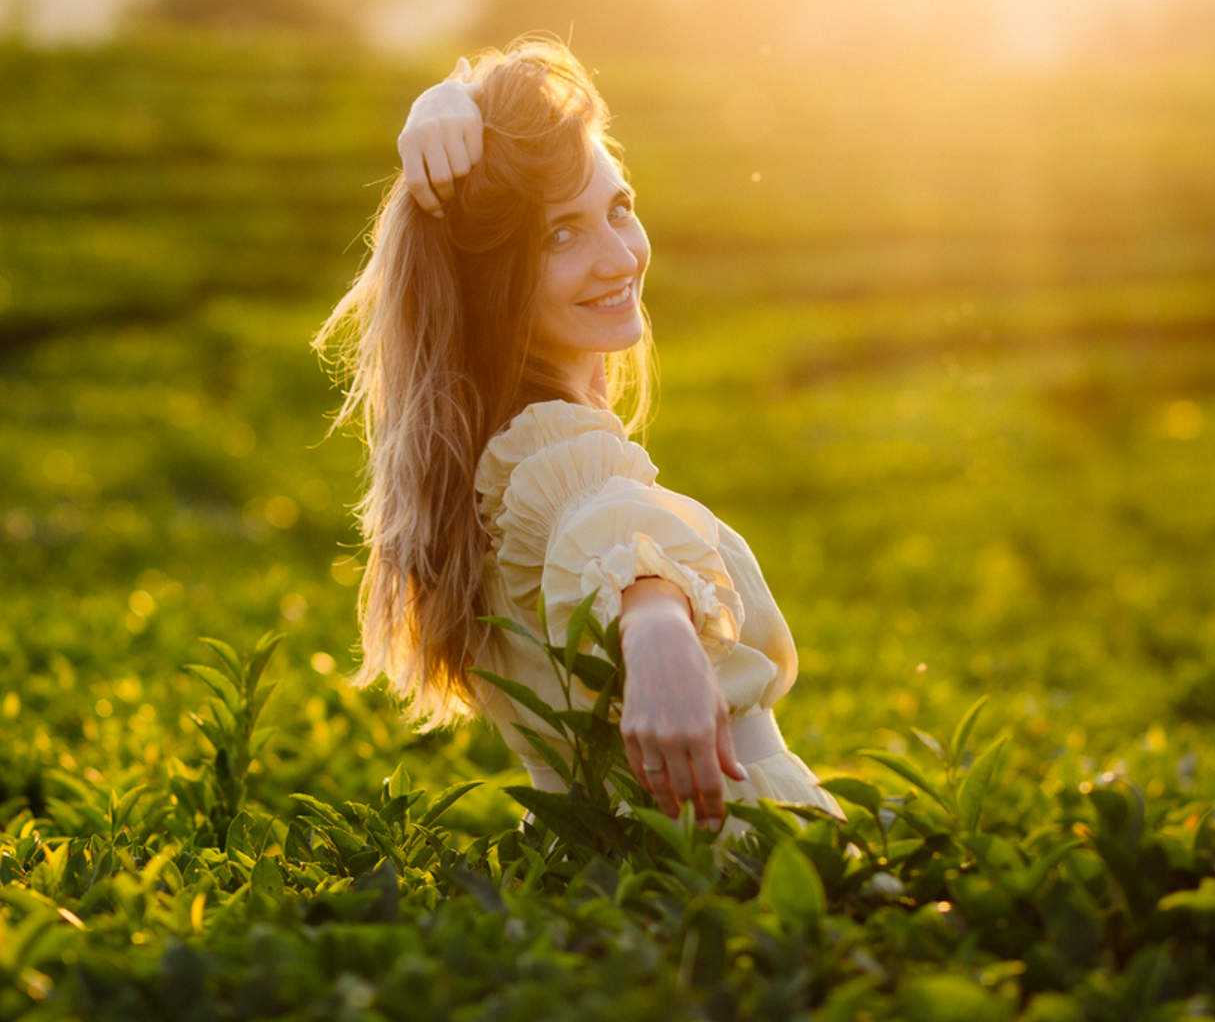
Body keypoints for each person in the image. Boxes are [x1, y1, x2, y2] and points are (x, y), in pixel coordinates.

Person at [317, 40, 838, 833]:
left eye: (619, 210)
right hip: (726, 851)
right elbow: (606, 528)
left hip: (600, 864)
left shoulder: (490, 463)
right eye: (560, 236)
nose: (619, 255)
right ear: (490, 284)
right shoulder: (547, 457)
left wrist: (451, 98)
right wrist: (660, 628)